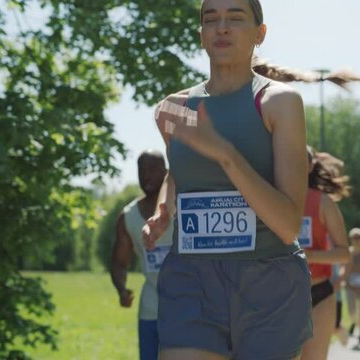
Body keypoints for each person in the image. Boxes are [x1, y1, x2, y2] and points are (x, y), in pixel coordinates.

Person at [142, 0, 313, 358]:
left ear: (259, 33)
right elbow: (181, 171)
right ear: (201, 34)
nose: (222, 28)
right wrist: (164, 211)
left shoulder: (278, 103)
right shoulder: (173, 110)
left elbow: (287, 225)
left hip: (269, 283)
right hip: (191, 278)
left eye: (235, 18)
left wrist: (225, 153)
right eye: (211, 19)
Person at [110, 150, 173, 360]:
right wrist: (121, 289)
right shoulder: (128, 217)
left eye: (153, 169)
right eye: (142, 169)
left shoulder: (184, 208)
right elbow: (119, 262)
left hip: (187, 309)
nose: (146, 174)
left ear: (166, 173)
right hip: (150, 311)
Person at [299, 147, 350, 359]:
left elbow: (344, 254)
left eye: (303, 160)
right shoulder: (271, 196)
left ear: (311, 166)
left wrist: (309, 256)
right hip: (280, 295)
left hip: (318, 293)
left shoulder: (323, 202)